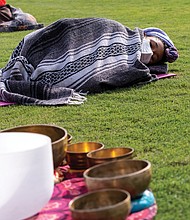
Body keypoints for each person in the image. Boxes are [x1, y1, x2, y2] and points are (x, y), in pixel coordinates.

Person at [0, 17, 178, 106]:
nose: (151, 51)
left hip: (69, 72)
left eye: (154, 56)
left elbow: (104, 75)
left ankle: (45, 74)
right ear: (146, 35)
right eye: (153, 45)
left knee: (61, 75)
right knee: (65, 27)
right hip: (58, 43)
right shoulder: (119, 29)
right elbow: (92, 27)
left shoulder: (135, 68)